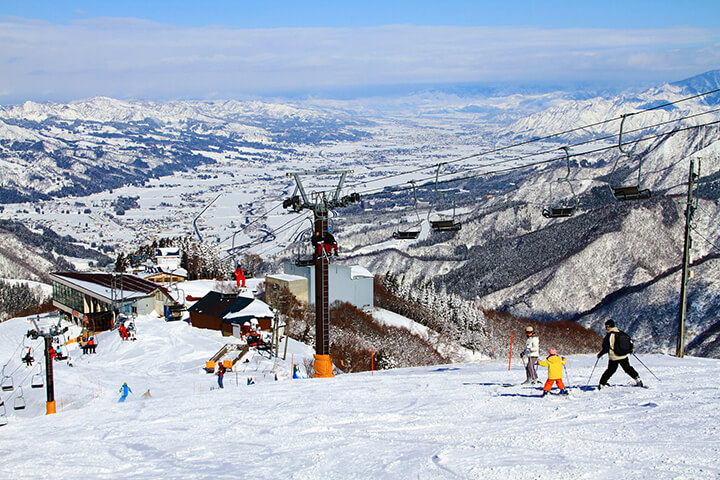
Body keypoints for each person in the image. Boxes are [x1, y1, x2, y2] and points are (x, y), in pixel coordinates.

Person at [597, 320, 642, 389]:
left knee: (610, 370)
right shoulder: (621, 333)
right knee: (628, 368)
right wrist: (629, 350)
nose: (606, 328)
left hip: (614, 356)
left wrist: (600, 354)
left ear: (608, 327)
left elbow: (606, 347)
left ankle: (602, 384)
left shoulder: (609, 335)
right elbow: (629, 342)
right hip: (623, 355)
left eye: (606, 326)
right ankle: (638, 379)